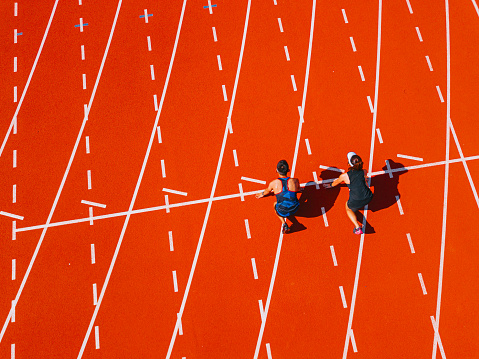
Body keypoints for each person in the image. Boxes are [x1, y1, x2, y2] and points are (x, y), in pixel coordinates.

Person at [324, 152, 373, 234]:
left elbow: (336, 182)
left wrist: (330, 185)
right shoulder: (364, 171)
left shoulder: (344, 176)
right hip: (369, 196)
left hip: (356, 199)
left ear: (349, 164)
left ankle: (357, 227)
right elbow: (364, 176)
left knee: (348, 208)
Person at [256, 160, 301, 234]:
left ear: (276, 170)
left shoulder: (273, 183)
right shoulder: (295, 180)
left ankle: (284, 223)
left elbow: (267, 191)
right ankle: (285, 223)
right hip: (295, 208)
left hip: (282, 211)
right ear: (288, 170)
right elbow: (298, 189)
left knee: (274, 204)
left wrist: (262, 194)